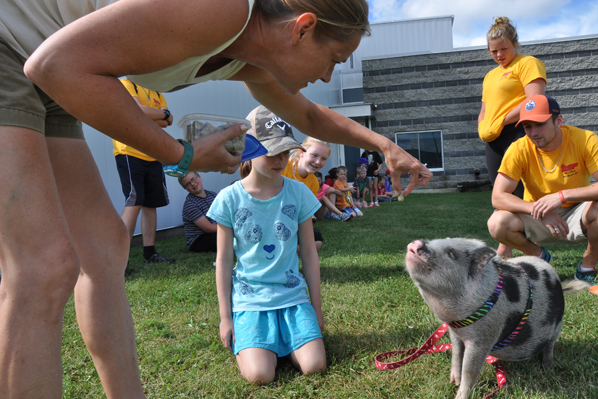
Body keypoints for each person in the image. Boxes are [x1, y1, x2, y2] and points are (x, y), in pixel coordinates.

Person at [1, 0, 431, 395]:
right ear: (302, 29)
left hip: (47, 73)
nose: (325, 77)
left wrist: (384, 146)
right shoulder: (223, 9)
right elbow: (53, 64)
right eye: (333, 60)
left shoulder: (248, 58)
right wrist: (182, 154)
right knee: (42, 266)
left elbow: (310, 114)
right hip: (13, 50)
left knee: (105, 250)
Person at [207, 105, 326, 384]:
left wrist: (316, 310)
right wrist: (226, 318)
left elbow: (309, 253)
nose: (280, 160)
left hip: (292, 298)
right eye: (272, 153)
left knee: (315, 366)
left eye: (285, 152)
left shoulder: (298, 192)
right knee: (260, 375)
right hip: (251, 302)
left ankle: (288, 340)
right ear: (249, 150)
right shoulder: (229, 199)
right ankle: (262, 346)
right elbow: (223, 261)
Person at [487, 95, 598, 291]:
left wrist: (562, 196)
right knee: (497, 223)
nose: (533, 132)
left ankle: (587, 268)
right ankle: (539, 257)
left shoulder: (585, 139)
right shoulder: (519, 148)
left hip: (578, 213)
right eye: (528, 126)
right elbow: (498, 196)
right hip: (538, 216)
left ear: (559, 121)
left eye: (540, 124)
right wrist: (538, 209)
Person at [478, 17, 547, 259]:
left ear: (515, 44)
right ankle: (506, 248)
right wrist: (483, 126)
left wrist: (501, 121)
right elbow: (485, 109)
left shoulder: (528, 63)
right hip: (494, 139)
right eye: (493, 50)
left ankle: (506, 251)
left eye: (503, 49)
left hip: (518, 131)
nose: (499, 54)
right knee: (500, 193)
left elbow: (534, 101)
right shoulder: (489, 76)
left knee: (518, 192)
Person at [114, 79, 175, 264]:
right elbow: (138, 110)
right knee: (134, 201)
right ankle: (119, 260)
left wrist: (155, 114)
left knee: (151, 204)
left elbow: (167, 122)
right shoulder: (126, 83)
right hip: (129, 151)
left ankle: (150, 254)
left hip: (153, 154)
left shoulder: (158, 92)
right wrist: (161, 113)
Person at [283, 135, 330, 220]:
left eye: (323, 158)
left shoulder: (314, 183)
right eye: (314, 155)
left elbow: (306, 211)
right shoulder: (283, 168)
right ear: (301, 152)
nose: (318, 162)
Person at [179, 171, 218, 253]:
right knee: (226, 235)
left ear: (200, 177)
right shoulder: (190, 204)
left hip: (214, 233)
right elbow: (208, 228)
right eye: (188, 184)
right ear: (185, 188)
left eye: (193, 179)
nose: (192, 184)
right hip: (198, 240)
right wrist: (230, 228)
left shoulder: (213, 195)